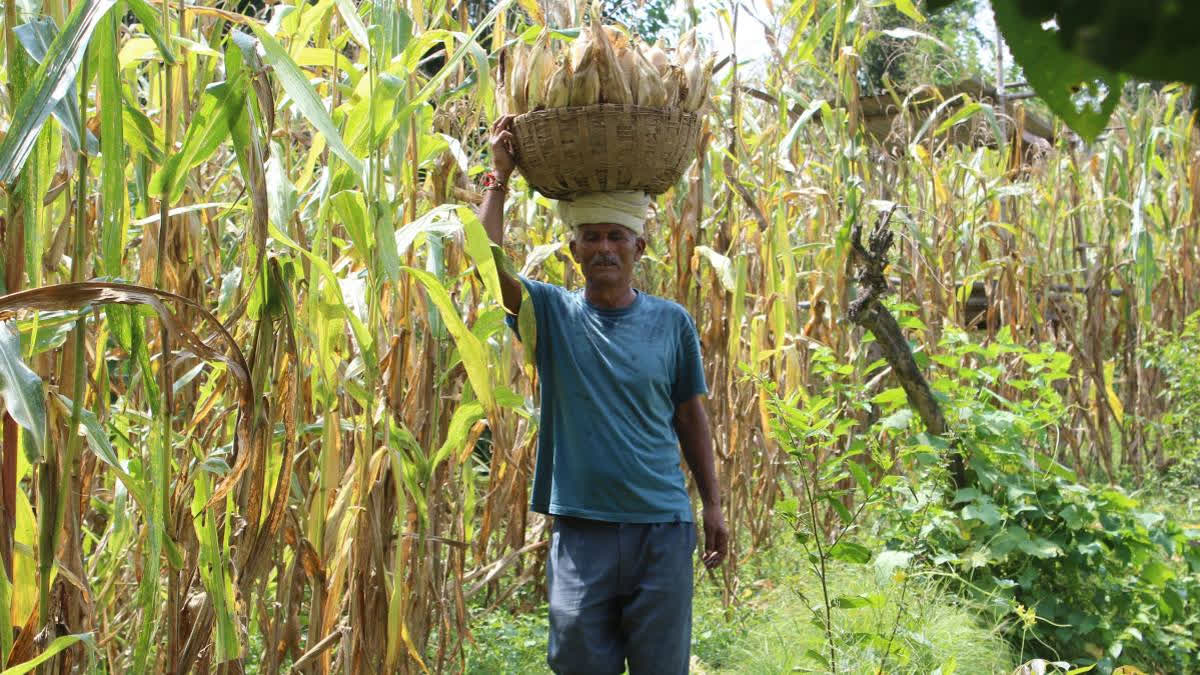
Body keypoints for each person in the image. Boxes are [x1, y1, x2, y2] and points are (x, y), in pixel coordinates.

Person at [480, 114, 728, 675]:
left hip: (660, 529)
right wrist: (499, 176)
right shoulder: (551, 314)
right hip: (581, 530)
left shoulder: (672, 323)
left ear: (640, 245)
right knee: (576, 662)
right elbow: (486, 266)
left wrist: (712, 503)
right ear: (574, 250)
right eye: (591, 236)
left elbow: (691, 415)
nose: (604, 248)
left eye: (616, 236)